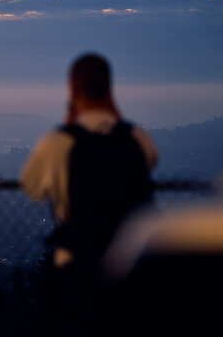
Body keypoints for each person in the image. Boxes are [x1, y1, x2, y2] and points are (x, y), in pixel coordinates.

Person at [21, 53, 158, 270]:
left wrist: (68, 126)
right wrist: (117, 120)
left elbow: (33, 189)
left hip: (77, 263)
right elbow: (151, 162)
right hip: (128, 264)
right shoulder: (137, 138)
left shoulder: (57, 143)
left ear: (73, 91)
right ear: (110, 91)